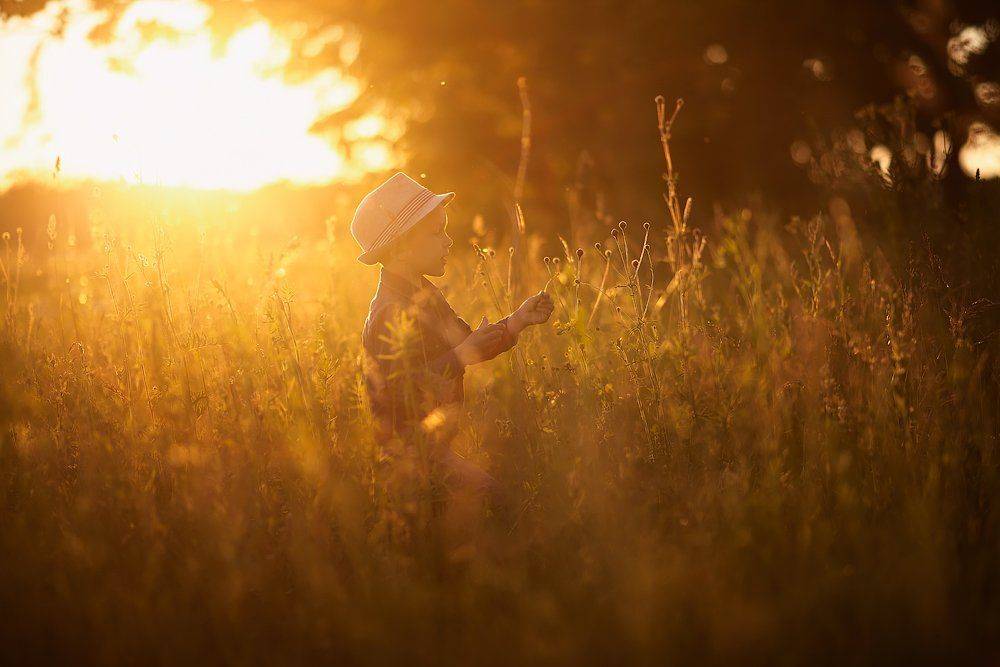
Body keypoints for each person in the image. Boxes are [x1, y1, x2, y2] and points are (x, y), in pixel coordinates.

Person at [350, 172, 553, 507]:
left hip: (437, 446)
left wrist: (517, 321)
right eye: (436, 232)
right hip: (410, 454)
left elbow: (467, 344)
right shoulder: (389, 312)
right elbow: (399, 392)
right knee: (497, 501)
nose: (448, 241)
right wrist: (460, 355)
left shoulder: (425, 294)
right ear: (399, 246)